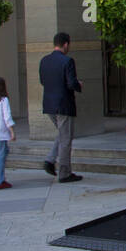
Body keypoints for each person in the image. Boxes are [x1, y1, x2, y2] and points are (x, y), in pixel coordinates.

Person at [39, 31, 83, 183]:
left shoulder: (44, 61)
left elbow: (42, 81)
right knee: (66, 138)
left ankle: (50, 160)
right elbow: (71, 83)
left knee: (63, 134)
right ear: (66, 44)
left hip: (49, 104)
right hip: (64, 104)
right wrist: (79, 85)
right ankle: (64, 173)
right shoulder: (68, 61)